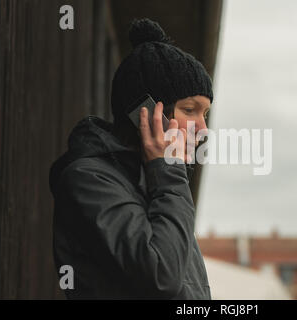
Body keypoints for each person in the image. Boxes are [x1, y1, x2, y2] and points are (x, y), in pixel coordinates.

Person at [49, 18, 213, 299]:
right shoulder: (90, 179)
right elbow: (162, 275)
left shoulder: (157, 187)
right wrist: (168, 170)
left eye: (205, 114)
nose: (203, 128)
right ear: (145, 114)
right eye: (189, 109)